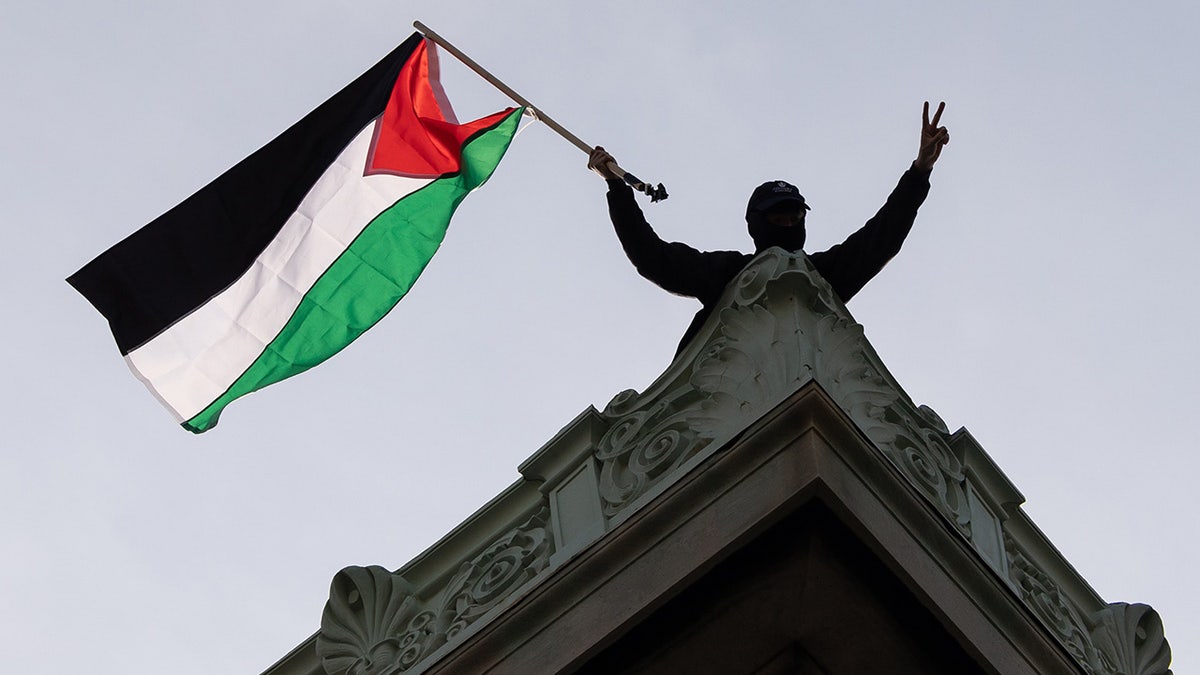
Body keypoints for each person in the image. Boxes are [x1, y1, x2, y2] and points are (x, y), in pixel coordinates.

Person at [589, 102, 950, 356]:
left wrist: (920, 171)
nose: (789, 223)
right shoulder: (727, 272)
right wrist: (617, 186)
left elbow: (882, 236)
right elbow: (652, 257)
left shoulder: (823, 275)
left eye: (795, 216)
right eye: (778, 217)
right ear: (757, 223)